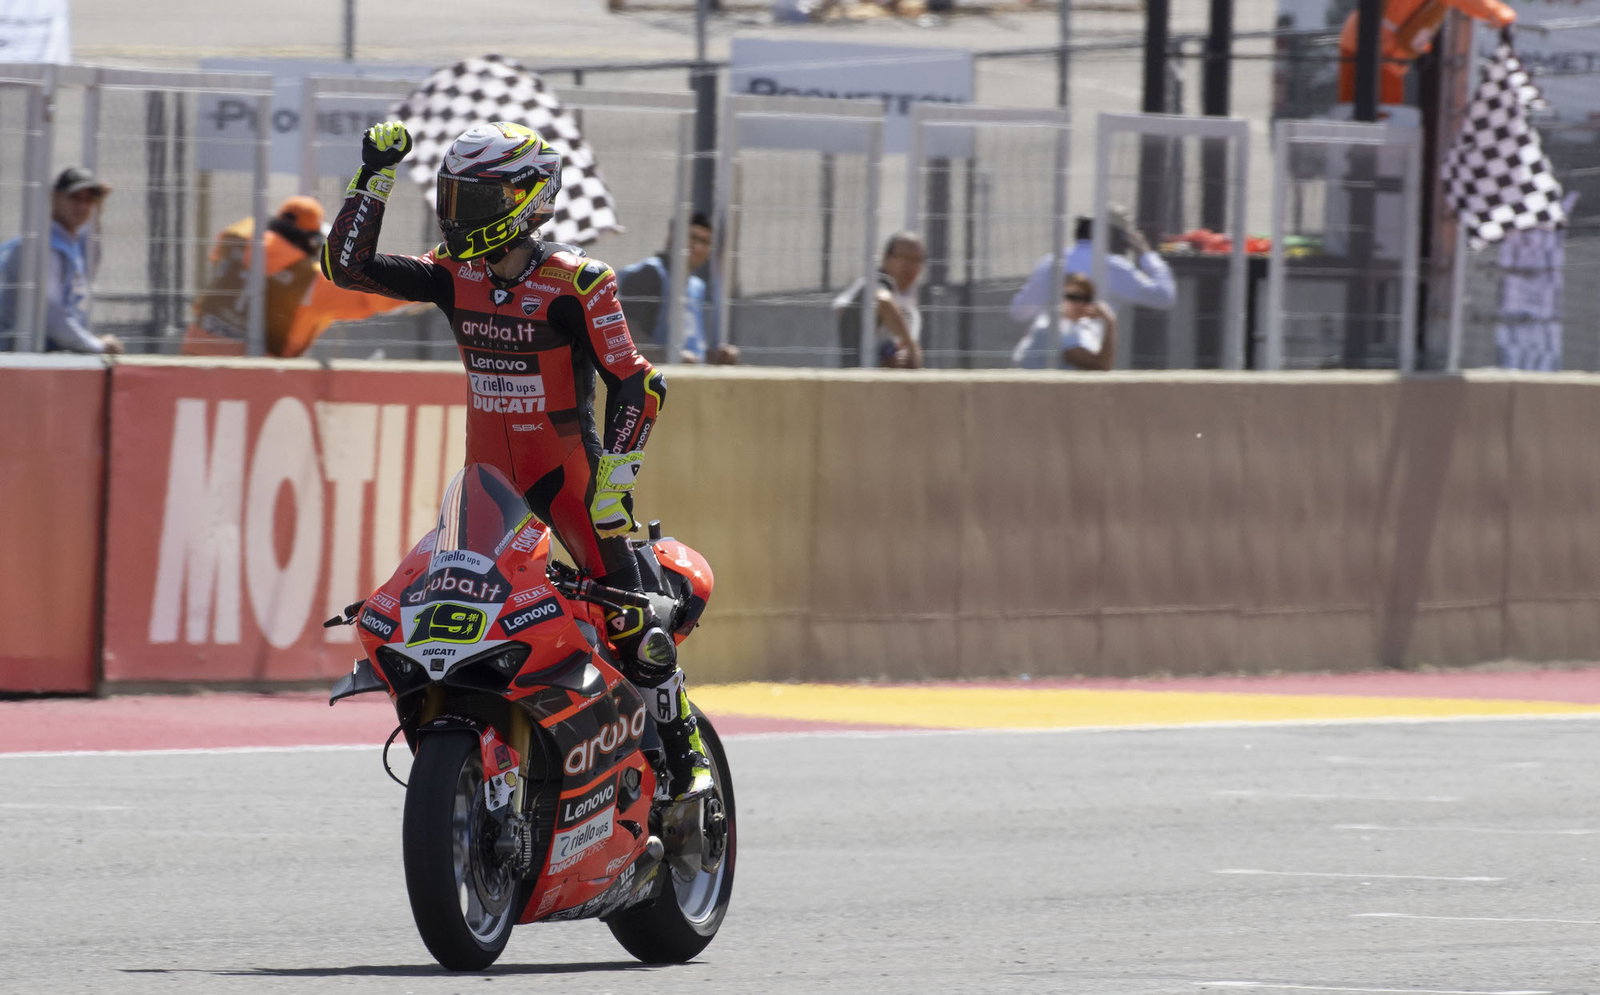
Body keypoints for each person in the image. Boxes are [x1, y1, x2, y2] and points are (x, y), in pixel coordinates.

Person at [322, 120, 710, 801]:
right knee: (448, 615)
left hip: (572, 486)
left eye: (475, 200)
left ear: (528, 201)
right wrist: (374, 174)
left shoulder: (579, 283)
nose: (456, 215)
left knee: (637, 617)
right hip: (486, 487)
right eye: (452, 197)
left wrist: (614, 489)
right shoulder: (453, 274)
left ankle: (686, 758)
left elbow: (638, 383)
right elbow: (346, 266)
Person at [181, 195, 410, 358]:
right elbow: (367, 297)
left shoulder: (236, 240)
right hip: (253, 374)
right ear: (311, 241)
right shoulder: (311, 281)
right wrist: (423, 283)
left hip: (195, 353)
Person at [0, 167, 124, 354]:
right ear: (55, 198)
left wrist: (98, 212)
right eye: (74, 197)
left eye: (89, 200)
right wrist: (97, 346)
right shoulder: (44, 247)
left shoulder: (67, 243)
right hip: (14, 358)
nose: (82, 207)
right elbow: (52, 316)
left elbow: (90, 258)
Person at [1008, 206, 1176, 327]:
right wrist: (1146, 254)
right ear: (1111, 235)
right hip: (1085, 358)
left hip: (1041, 355)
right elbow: (1164, 296)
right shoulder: (1114, 268)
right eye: (1125, 238)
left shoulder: (1051, 262)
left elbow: (1019, 312)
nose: (1126, 246)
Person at [616, 212, 739, 365]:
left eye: (706, 242)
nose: (698, 247)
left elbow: (690, 344)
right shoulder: (649, 274)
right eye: (693, 238)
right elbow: (626, 335)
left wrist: (713, 357)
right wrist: (670, 358)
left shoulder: (696, 287)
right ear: (673, 236)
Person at [832, 231, 925, 369]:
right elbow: (882, 300)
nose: (909, 266)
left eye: (916, 260)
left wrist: (901, 358)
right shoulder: (869, 286)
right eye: (903, 257)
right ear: (885, 258)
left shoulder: (911, 313)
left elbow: (901, 357)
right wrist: (912, 348)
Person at [1011, 272, 1118, 371]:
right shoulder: (1049, 327)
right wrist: (1110, 322)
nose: (1080, 303)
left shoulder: (1084, 326)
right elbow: (1101, 366)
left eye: (1086, 298)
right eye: (1073, 297)